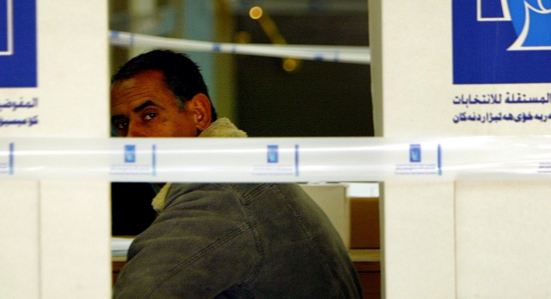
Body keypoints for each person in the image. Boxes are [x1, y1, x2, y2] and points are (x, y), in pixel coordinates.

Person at [111, 50, 363, 299]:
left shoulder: (216, 191)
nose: (131, 138)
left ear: (199, 113)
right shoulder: (238, 171)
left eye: (150, 116)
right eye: (122, 125)